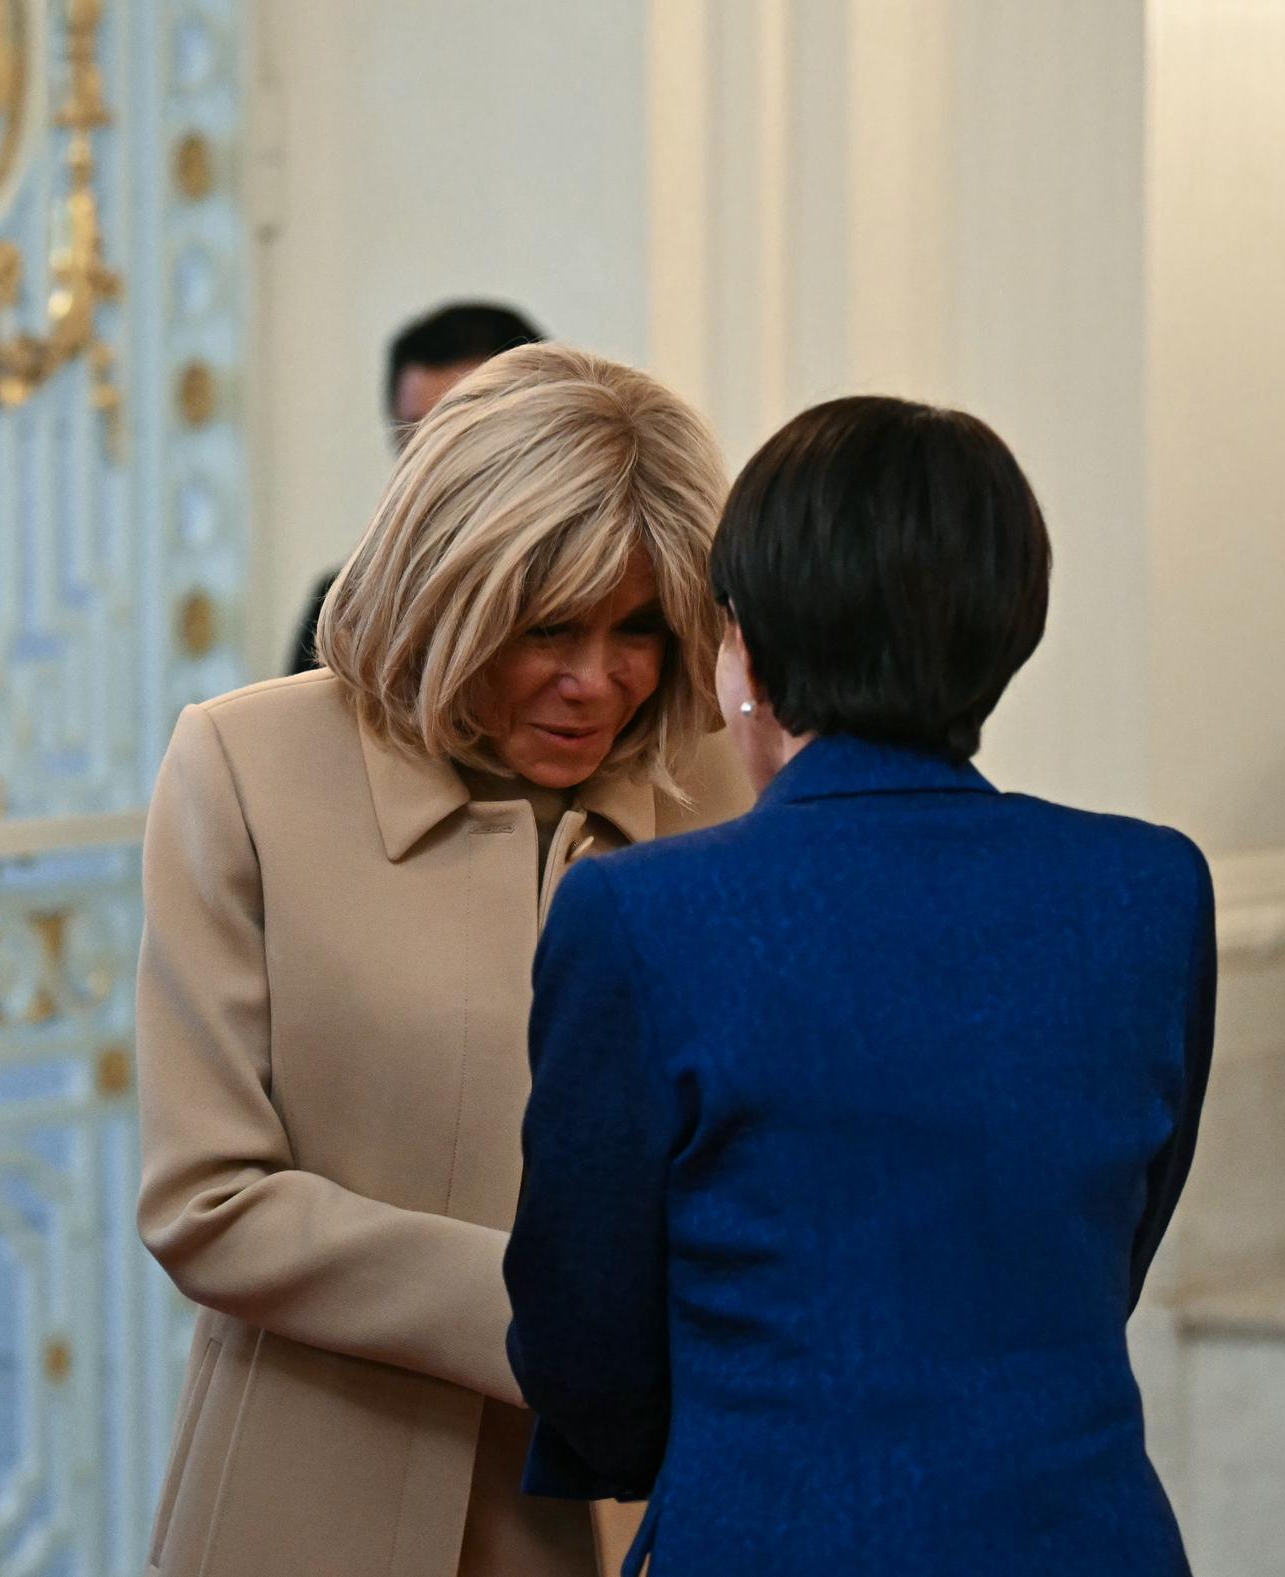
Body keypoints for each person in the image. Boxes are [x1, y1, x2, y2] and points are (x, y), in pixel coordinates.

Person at [503, 397, 1215, 1577]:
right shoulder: (1150, 889)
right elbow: (1106, 1250)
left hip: (766, 1532)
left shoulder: (642, 912)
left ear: (748, 652)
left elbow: (582, 1338)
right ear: (1008, 626)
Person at [137, 343, 750, 1577]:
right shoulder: (245, 766)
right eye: (548, 628)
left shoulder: (716, 786)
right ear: (446, 591)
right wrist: (557, 1308)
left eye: (640, 629)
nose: (600, 681)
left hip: (645, 1506)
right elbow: (206, 1199)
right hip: (311, 1496)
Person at [285, 300, 541, 674]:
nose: (431, 460)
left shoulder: (612, 579)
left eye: (462, 429)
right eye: (414, 435)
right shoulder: (348, 608)